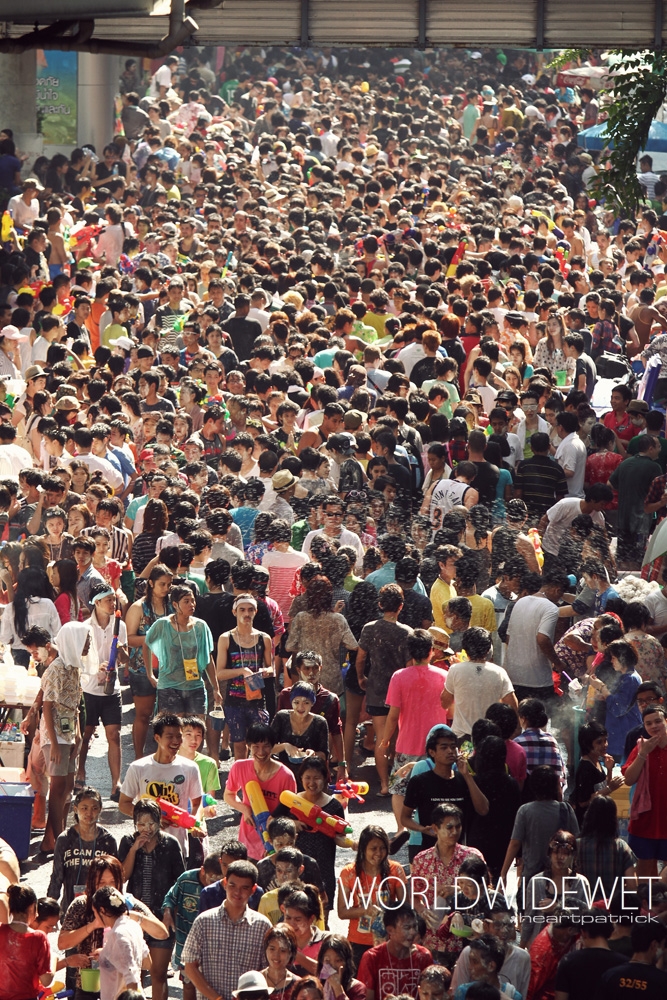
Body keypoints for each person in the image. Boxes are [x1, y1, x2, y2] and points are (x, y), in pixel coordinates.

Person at [59, 854, 167, 1000]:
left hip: (121, 990)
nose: (108, 888)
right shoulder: (81, 904)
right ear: (92, 883)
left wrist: (136, 917)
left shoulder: (129, 905)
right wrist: (93, 925)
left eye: (113, 882)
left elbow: (162, 934)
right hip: (88, 983)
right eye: (101, 883)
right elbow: (62, 943)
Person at [118, 799, 185, 1000]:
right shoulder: (128, 842)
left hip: (160, 917)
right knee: (132, 973)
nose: (147, 828)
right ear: (134, 824)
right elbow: (122, 877)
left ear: (159, 821)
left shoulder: (171, 844)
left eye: (151, 823)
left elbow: (179, 882)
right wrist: (134, 849)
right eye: (141, 824)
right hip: (134, 916)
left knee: (158, 973)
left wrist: (170, 911)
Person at [183, 859, 273, 1000]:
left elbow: (267, 970)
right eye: (232, 885)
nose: (237, 892)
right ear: (224, 883)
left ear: (253, 890)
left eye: (244, 887)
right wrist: (217, 998)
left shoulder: (263, 926)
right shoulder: (204, 921)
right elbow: (190, 966)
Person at [119, 712, 204, 859]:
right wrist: (150, 820)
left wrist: (193, 823)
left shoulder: (190, 768)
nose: (176, 741)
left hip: (178, 847)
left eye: (179, 736)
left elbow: (197, 803)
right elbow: (124, 804)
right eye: (170, 737)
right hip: (145, 845)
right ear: (157, 738)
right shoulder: (138, 767)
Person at [355, 583, 412, 793]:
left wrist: (361, 677)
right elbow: (409, 666)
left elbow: (360, 658)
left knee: (381, 739)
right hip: (400, 694)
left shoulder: (370, 629)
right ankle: (397, 782)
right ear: (401, 607)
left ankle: (384, 785)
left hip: (377, 690)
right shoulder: (407, 633)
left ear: (380, 605)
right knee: (397, 739)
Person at [76, 584, 128, 801]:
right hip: (89, 688)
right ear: (96, 603)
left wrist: (121, 653)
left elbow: (125, 659)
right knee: (86, 735)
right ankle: (80, 772)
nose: (112, 603)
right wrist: (95, 667)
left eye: (113, 599)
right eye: (108, 600)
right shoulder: (84, 627)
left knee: (114, 735)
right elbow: (79, 658)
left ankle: (116, 782)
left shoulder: (120, 625)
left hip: (111, 689)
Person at [402, 725, 489, 851]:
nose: (450, 751)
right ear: (432, 752)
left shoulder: (465, 780)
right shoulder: (419, 782)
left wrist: (467, 776)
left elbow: (483, 809)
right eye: (444, 747)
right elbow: (404, 817)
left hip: (459, 854)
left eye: (453, 747)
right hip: (430, 853)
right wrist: (422, 829)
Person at [144, 583, 221, 716]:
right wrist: (150, 674)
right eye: (186, 601)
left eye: (193, 600)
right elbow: (146, 644)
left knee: (196, 730)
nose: (192, 604)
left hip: (195, 686)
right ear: (175, 605)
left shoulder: (201, 627)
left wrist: (216, 688)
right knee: (175, 731)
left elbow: (208, 658)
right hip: (169, 686)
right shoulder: (163, 625)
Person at [223, 722, 297, 860]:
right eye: (256, 747)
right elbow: (228, 795)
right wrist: (244, 809)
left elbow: (290, 809)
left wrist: (276, 843)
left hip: (274, 843)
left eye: (266, 746)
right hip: (247, 839)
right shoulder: (239, 767)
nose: (261, 752)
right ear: (248, 746)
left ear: (273, 747)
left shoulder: (286, 776)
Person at [337, 824, 407, 966]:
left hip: (389, 940)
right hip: (358, 942)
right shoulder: (348, 872)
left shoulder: (396, 870)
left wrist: (390, 912)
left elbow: (406, 906)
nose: (378, 853)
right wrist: (365, 910)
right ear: (363, 849)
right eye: (373, 848)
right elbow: (342, 912)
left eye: (382, 848)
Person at [217, 593, 274, 759]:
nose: (246, 613)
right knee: (240, 747)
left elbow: (271, 667)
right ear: (234, 612)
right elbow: (220, 673)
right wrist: (242, 671)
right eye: (242, 609)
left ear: (255, 611)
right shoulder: (226, 638)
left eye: (250, 609)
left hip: (257, 699)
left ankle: (258, 779)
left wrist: (265, 672)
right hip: (234, 700)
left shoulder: (264, 638)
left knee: (260, 745)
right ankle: (241, 782)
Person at [125, 563, 173, 759]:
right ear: (151, 583)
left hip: (169, 669)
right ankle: (138, 756)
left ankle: (163, 757)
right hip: (142, 668)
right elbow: (128, 639)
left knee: (166, 717)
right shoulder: (138, 608)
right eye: (162, 584)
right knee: (143, 715)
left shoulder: (172, 606)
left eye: (169, 585)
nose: (166, 588)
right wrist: (153, 639)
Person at [501, 766, 579, 883]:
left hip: (532, 873)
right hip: (561, 874)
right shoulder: (566, 809)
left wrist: (504, 873)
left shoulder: (525, 811)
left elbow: (515, 843)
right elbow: (576, 840)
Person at [47, 785, 118, 912]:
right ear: (75, 809)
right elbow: (57, 876)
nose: (89, 813)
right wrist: (49, 907)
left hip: (100, 909)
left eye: (94, 808)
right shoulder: (65, 839)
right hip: (69, 907)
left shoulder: (108, 841)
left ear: (100, 809)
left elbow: (115, 878)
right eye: (84, 808)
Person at [441, 627, 517, 739]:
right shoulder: (499, 672)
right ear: (488, 649)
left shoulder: (455, 670)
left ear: (465, 649)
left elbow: (444, 703)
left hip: (462, 739)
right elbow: (513, 706)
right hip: (489, 740)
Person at [621, 704, 667, 878]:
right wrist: (643, 753)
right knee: (644, 874)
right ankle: (645, 906)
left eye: (658, 721)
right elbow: (629, 779)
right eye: (648, 724)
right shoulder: (641, 747)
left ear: (666, 721)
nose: (654, 726)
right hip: (645, 821)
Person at [356, 905, 433, 1000]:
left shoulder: (424, 956)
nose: (413, 932)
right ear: (390, 930)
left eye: (414, 926)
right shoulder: (372, 957)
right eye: (407, 928)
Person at [91, 885, 150, 1000]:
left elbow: (131, 977)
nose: (95, 916)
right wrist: (105, 954)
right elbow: (147, 963)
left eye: (95, 912)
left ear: (102, 910)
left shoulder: (118, 935)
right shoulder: (133, 925)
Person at [576, 796, 637, 903]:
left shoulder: (577, 846)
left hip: (585, 906)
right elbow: (632, 885)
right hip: (613, 908)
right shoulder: (622, 847)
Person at [0, 884, 53, 1000]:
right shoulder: (39, 938)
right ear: (32, 908)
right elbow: (46, 980)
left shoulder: (1, 932)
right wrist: (54, 962)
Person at [594, 920, 667, 1000]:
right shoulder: (662, 982)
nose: (663, 950)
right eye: (663, 945)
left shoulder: (610, 976)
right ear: (654, 945)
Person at [272, 681, 329, 778]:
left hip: (309, 776)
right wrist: (285, 746)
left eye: (306, 702)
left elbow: (324, 755)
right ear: (291, 702)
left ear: (312, 703)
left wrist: (313, 754)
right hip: (284, 774)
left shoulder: (320, 722)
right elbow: (267, 748)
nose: (300, 707)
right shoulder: (281, 717)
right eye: (296, 702)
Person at [261, 923, 300, 1000]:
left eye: (282, 950)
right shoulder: (253, 982)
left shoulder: (298, 986)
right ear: (265, 949)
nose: (276, 955)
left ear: (291, 953)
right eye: (272, 949)